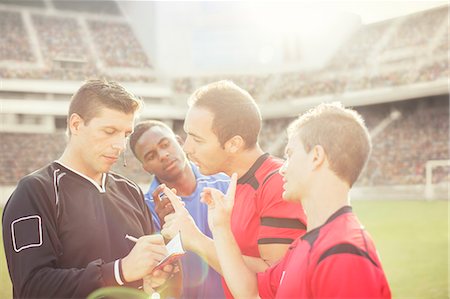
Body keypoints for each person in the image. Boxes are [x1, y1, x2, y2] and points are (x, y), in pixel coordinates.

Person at [2, 80, 180, 298]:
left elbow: (141, 279)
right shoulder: (36, 191)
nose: (120, 145)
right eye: (109, 131)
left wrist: (153, 276)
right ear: (76, 125)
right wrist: (119, 271)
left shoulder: (130, 191)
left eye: (125, 134)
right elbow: (32, 287)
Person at [194, 102, 391, 298]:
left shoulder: (344, 253)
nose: (282, 168)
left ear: (316, 156)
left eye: (290, 154)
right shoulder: (302, 246)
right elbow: (251, 293)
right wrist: (220, 227)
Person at [160, 80, 307, 298]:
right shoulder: (237, 184)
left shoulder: (276, 183)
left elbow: (276, 282)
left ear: (234, 144)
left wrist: (195, 239)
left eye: (197, 140)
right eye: (187, 135)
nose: (186, 148)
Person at [129, 120, 229, 299]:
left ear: (179, 141)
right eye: (151, 155)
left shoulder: (224, 183)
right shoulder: (145, 209)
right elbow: (157, 280)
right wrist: (166, 235)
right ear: (146, 168)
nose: (163, 155)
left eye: (165, 145)